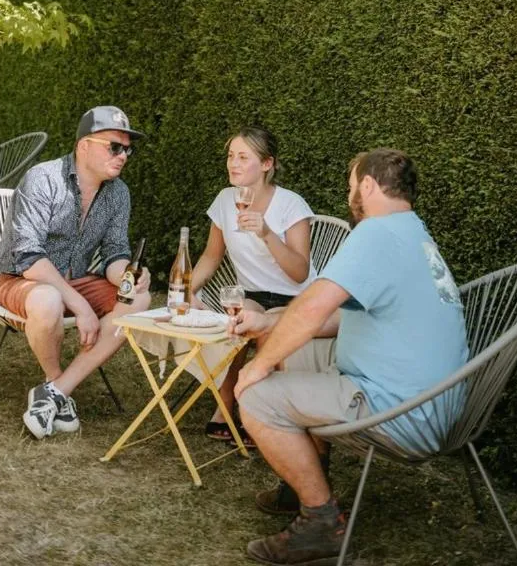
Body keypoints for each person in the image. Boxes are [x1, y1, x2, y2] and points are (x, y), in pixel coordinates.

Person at [230, 148, 468, 566]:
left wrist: (257, 364)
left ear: (369, 186)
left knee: (254, 396)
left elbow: (312, 308)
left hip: (399, 411)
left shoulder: (376, 234)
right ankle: (301, 481)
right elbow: (341, 314)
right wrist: (269, 324)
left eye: (350, 187)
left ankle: (322, 522)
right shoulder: (412, 233)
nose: (348, 197)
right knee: (297, 351)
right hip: (436, 404)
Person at [0, 105, 152, 439]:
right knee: (48, 299)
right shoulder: (43, 178)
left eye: (127, 149)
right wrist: (80, 304)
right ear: (84, 145)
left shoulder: (119, 193)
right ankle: (54, 378)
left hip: (73, 278)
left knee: (138, 297)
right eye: (114, 147)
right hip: (18, 279)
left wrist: (128, 275)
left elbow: (115, 253)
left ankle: (57, 391)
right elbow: (28, 258)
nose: (123, 156)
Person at [190, 126, 314, 444]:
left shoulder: (291, 205)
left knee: (265, 330)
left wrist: (267, 233)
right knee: (239, 323)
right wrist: (189, 287)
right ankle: (225, 405)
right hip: (254, 294)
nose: (233, 163)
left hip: (296, 297)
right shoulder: (224, 200)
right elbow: (211, 255)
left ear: (267, 164)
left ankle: (257, 414)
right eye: (231, 156)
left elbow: (300, 272)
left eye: (243, 157)